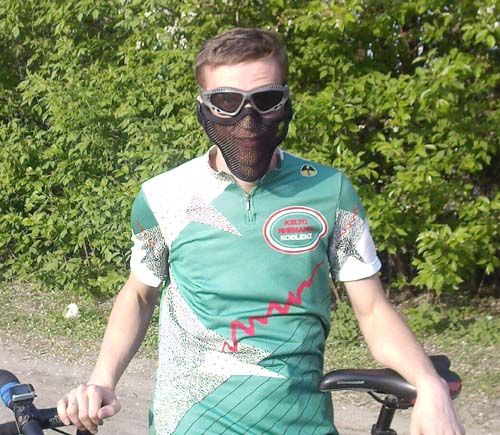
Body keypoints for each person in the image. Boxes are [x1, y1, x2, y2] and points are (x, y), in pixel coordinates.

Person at [57, 28, 465, 435]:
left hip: (303, 426)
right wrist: (102, 380)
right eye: (227, 102)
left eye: (265, 100)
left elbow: (372, 310)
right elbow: (139, 294)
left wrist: (429, 385)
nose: (248, 121)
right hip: (192, 424)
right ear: (203, 107)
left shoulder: (330, 191)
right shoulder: (162, 196)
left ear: (286, 101)